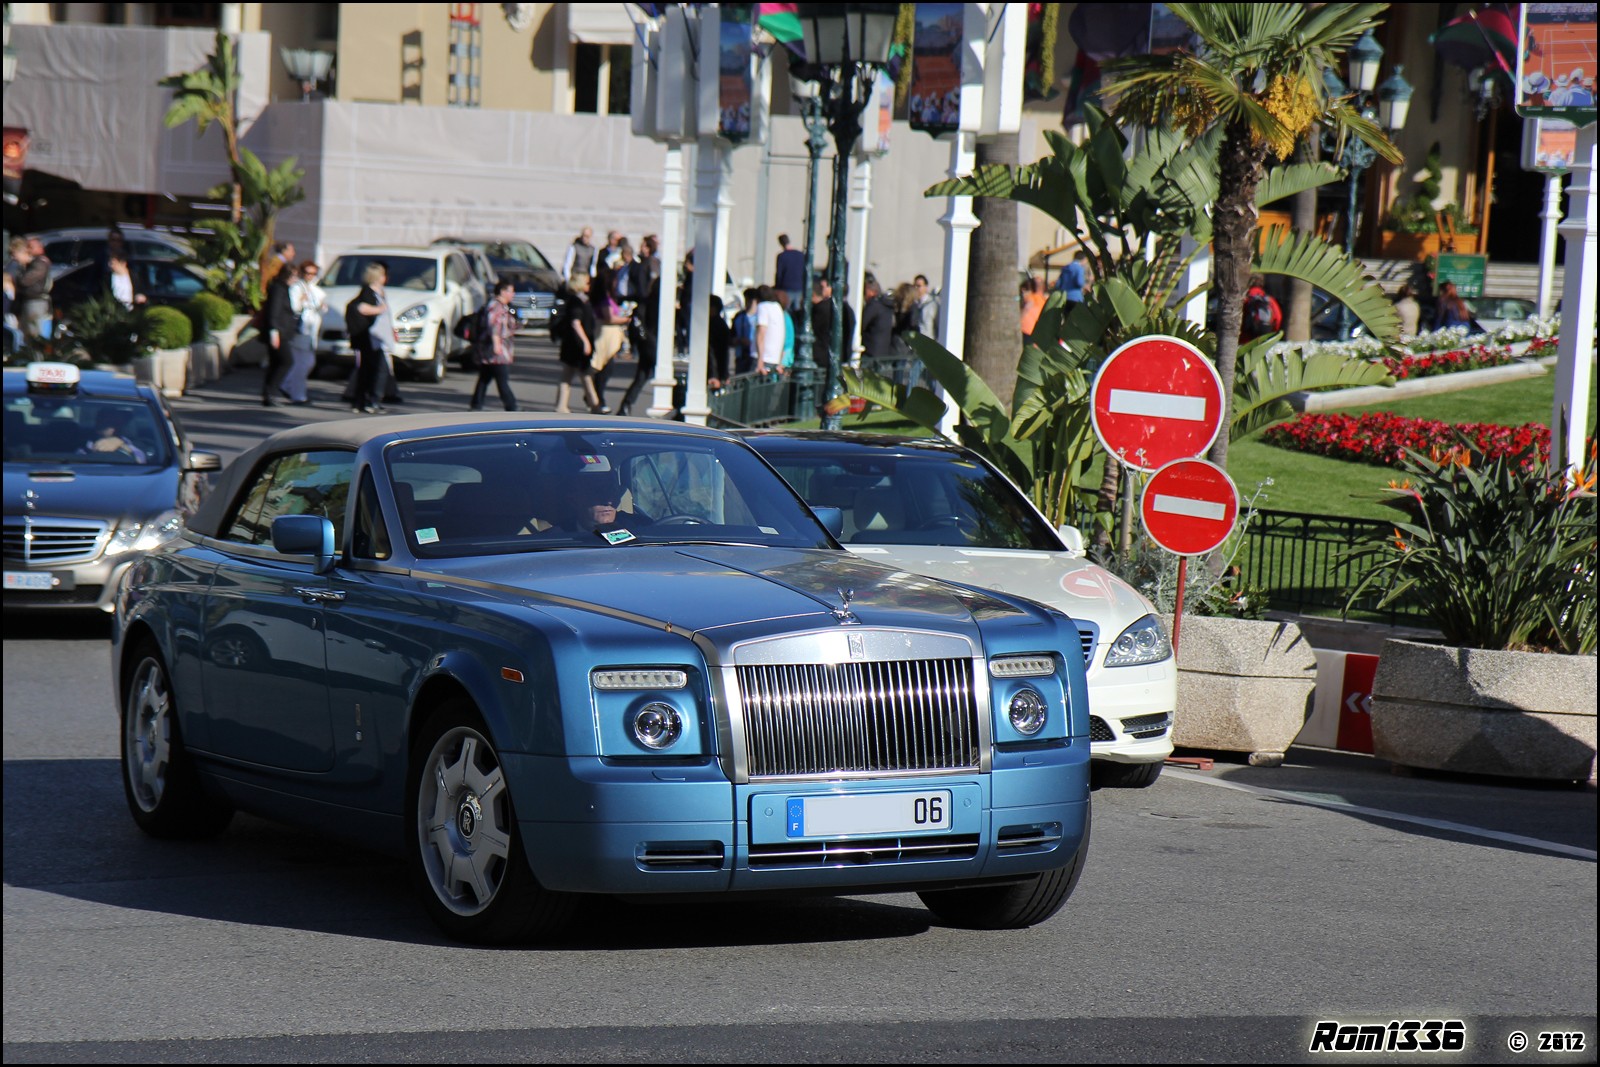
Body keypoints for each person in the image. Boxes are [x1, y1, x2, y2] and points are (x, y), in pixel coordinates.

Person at [555, 273, 603, 414]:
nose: (589, 285)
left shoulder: (581, 299)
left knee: (574, 376)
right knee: (583, 375)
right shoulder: (576, 301)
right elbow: (576, 323)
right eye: (587, 282)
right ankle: (594, 406)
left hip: (574, 345)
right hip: (576, 346)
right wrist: (585, 342)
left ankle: (563, 406)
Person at [469, 279, 520, 412]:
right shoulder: (496, 307)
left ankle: (476, 405)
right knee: (502, 379)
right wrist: (496, 345)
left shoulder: (501, 306)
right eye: (511, 291)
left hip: (492, 350)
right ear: (502, 292)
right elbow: (494, 327)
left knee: (485, 377)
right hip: (496, 351)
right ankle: (512, 406)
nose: (513, 294)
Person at [618, 267, 662, 417]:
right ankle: (626, 405)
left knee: (642, 375)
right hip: (653, 343)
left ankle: (626, 405)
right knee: (655, 373)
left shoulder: (645, 302)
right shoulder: (660, 305)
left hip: (645, 343)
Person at [347, 261, 389, 414]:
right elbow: (362, 308)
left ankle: (362, 401)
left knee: (369, 369)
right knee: (374, 369)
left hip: (374, 338)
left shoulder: (378, 292)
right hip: (367, 337)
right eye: (383, 275)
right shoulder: (368, 292)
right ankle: (369, 401)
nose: (385, 278)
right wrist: (380, 309)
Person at [283, 260, 326, 405]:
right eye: (308, 273)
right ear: (302, 273)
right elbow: (294, 307)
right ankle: (298, 394)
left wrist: (321, 306)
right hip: (301, 330)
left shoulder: (314, 289)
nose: (310, 276)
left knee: (307, 363)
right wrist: (301, 301)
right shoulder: (297, 288)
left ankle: (287, 385)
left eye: (314, 273)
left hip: (311, 330)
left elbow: (319, 306)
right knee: (303, 363)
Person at [588, 260, 629, 413]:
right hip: (605, 334)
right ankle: (598, 399)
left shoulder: (606, 297)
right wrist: (626, 319)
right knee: (603, 368)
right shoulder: (604, 299)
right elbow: (609, 317)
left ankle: (595, 398)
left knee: (605, 368)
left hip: (609, 334)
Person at [261, 241, 298, 407]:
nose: (295, 279)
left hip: (282, 331)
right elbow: (274, 312)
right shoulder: (278, 289)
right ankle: (271, 391)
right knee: (286, 361)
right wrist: (274, 331)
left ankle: (269, 394)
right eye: (294, 276)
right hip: (278, 332)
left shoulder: (283, 289)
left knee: (276, 363)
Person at [809, 277, 855, 394]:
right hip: (839, 357)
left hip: (823, 357)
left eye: (826, 286)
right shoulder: (848, 310)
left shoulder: (826, 308)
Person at [10, 236, 53, 341]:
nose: (29, 249)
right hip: (28, 302)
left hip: (36, 302)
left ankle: (36, 351)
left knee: (34, 333)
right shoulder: (31, 264)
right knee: (25, 333)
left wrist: (19, 272)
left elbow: (24, 281)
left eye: (31, 247)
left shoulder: (40, 263)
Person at [81, 416, 147, 463]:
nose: (112, 429)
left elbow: (140, 461)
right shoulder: (86, 444)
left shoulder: (132, 443)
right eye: (105, 424)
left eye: (115, 423)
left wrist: (121, 444)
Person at [859, 273, 894, 360]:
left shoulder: (873, 305)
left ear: (871, 291)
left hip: (871, 352)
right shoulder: (886, 305)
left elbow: (861, 324)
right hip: (883, 352)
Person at [753, 285, 786, 373]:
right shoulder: (778, 307)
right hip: (775, 358)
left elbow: (761, 333)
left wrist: (760, 361)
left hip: (763, 358)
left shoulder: (763, 307)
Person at [1240, 274, 1283, 340]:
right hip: (1265, 330)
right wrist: (1273, 331)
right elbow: (1278, 317)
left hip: (1247, 335)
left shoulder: (1245, 300)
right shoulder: (1269, 300)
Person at [774, 233, 805, 310]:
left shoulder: (781, 256)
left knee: (786, 310)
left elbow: (779, 274)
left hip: (786, 288)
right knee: (797, 310)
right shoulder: (800, 255)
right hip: (799, 287)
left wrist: (777, 288)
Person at [732, 288, 758, 375]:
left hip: (753, 356)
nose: (748, 303)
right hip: (741, 356)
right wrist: (737, 340)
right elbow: (732, 335)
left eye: (751, 300)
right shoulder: (739, 316)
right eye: (747, 300)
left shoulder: (759, 317)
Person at [911, 274, 939, 339]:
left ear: (926, 287)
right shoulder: (913, 305)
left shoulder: (933, 304)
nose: (916, 288)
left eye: (919, 286)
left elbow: (938, 326)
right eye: (914, 286)